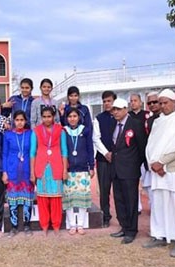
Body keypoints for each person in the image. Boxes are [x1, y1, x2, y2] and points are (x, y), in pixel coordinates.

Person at [143, 89, 175, 257]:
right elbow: (151, 145)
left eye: (166, 102)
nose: (163, 106)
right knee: (158, 203)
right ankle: (159, 235)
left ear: (174, 102)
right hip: (156, 170)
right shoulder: (158, 122)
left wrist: (162, 163)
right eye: (161, 103)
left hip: (173, 170)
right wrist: (153, 163)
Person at [109, 99, 147, 244]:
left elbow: (142, 147)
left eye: (118, 109)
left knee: (131, 201)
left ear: (126, 109)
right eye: (114, 109)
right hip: (116, 169)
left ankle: (132, 230)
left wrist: (135, 164)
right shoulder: (114, 124)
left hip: (130, 170)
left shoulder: (135, 124)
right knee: (119, 200)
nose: (116, 112)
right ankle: (124, 227)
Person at [30, 106, 68, 236]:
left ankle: (56, 225)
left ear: (54, 117)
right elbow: (32, 153)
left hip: (56, 167)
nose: (47, 119)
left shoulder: (60, 130)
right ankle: (44, 225)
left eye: (49, 116)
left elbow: (64, 151)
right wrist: (32, 172)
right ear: (41, 117)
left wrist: (65, 170)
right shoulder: (36, 131)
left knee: (56, 198)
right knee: (42, 198)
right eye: (44, 117)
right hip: (41, 168)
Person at [62, 108, 95, 235]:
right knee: (69, 199)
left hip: (82, 170)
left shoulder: (85, 130)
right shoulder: (64, 131)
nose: (72, 119)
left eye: (75, 116)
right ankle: (71, 224)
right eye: (69, 116)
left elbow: (90, 149)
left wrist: (91, 166)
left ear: (79, 118)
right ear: (66, 118)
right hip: (69, 170)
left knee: (82, 199)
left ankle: (80, 224)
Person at [2, 110, 34, 237]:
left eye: (22, 120)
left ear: (25, 121)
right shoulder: (8, 135)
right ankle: (14, 227)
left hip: (27, 172)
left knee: (27, 201)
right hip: (12, 171)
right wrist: (5, 172)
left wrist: (33, 171)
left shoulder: (31, 134)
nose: (20, 122)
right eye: (17, 120)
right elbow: (4, 154)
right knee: (13, 201)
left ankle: (27, 225)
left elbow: (33, 153)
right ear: (13, 121)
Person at [92, 90, 117, 227]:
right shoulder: (99, 118)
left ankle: (123, 217)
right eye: (104, 101)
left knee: (119, 190)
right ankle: (105, 216)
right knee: (104, 190)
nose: (107, 104)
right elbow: (96, 138)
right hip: (103, 160)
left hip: (119, 160)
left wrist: (115, 154)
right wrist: (106, 153)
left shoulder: (122, 116)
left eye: (109, 101)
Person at [140, 91, 162, 214]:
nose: (152, 105)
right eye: (149, 103)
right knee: (150, 190)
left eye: (155, 102)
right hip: (149, 161)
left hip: (163, 163)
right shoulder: (149, 120)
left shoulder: (167, 118)